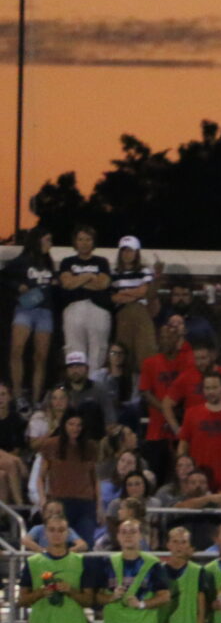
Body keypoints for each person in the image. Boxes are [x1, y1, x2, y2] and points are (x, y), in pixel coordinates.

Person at [136, 316, 195, 479]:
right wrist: (166, 409)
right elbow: (146, 392)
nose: (165, 341)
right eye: (162, 338)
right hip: (157, 429)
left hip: (182, 424)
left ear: (177, 340)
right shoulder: (150, 363)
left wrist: (177, 410)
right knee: (157, 473)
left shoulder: (187, 361)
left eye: (169, 337)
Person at [35, 410, 100, 543]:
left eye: (79, 425)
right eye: (71, 424)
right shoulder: (51, 445)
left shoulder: (90, 447)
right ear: (64, 425)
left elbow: (95, 479)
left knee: (86, 543)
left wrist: (99, 506)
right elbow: (41, 477)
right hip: (59, 502)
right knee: (59, 543)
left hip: (85, 503)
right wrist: (43, 500)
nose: (75, 428)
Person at [55, 226, 114, 372]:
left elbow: (102, 284)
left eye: (88, 239)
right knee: (74, 350)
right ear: (75, 242)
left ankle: (95, 381)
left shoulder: (101, 262)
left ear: (93, 242)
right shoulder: (67, 262)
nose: (84, 243)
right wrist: (89, 276)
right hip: (74, 308)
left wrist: (78, 280)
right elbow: (67, 283)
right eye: (80, 239)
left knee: (99, 349)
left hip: (98, 308)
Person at [9, 229, 56, 400]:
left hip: (45, 311)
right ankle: (17, 394)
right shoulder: (23, 260)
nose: (50, 243)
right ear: (38, 240)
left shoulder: (48, 262)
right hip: (25, 308)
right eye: (47, 239)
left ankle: (36, 399)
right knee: (17, 349)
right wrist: (18, 286)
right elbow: (5, 276)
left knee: (41, 357)